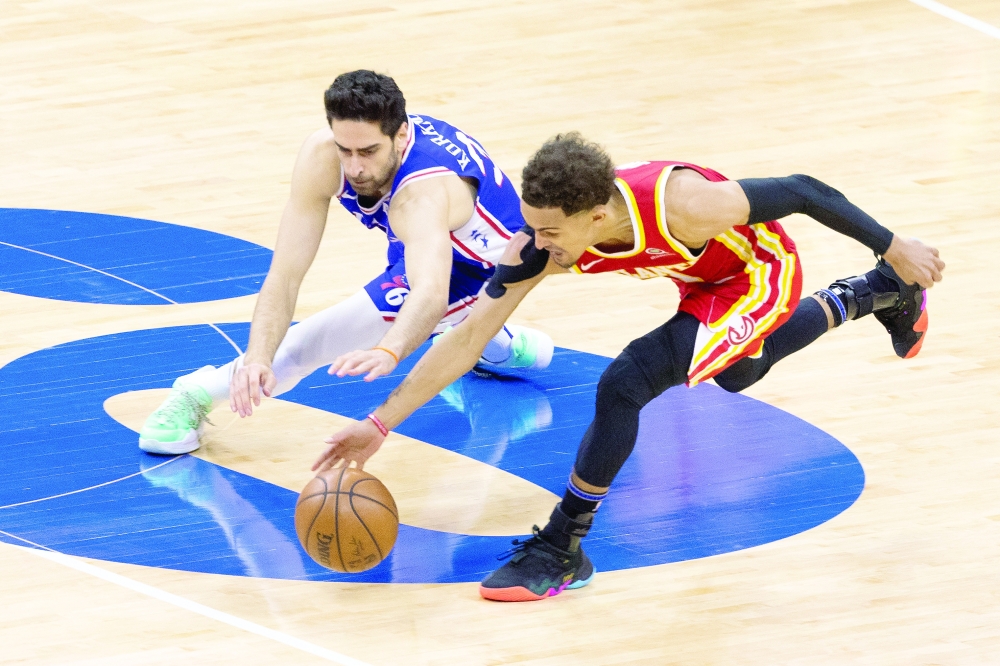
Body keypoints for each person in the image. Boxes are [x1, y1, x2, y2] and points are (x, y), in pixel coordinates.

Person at [313, 133, 945, 602]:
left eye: (550, 232)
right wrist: (380, 423)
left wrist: (894, 242)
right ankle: (875, 293)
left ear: (595, 216)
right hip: (697, 281)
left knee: (626, 382)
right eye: (533, 227)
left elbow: (806, 191)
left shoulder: (684, 205)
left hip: (755, 275)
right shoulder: (540, 243)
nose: (537, 242)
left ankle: (563, 546)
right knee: (736, 373)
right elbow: (468, 336)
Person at [138, 70, 552, 455]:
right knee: (284, 347)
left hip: (487, 266)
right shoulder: (323, 156)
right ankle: (490, 341)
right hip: (425, 243)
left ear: (400, 135)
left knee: (309, 345)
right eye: (345, 149)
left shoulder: (421, 195)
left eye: (368, 151)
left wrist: (389, 351)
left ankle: (196, 391)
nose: (354, 166)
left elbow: (430, 293)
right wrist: (257, 356)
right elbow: (284, 274)